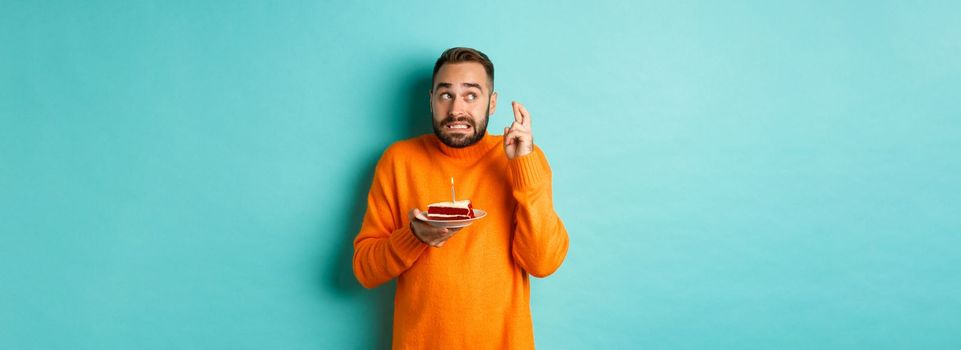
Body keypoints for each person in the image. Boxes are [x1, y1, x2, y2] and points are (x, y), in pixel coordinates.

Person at [352, 47, 569, 349]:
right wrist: (414, 237)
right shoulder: (398, 162)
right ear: (431, 100)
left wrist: (523, 166)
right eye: (445, 95)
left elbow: (542, 262)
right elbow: (365, 270)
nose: (456, 110)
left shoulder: (524, 160)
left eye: (471, 95)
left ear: (491, 103)